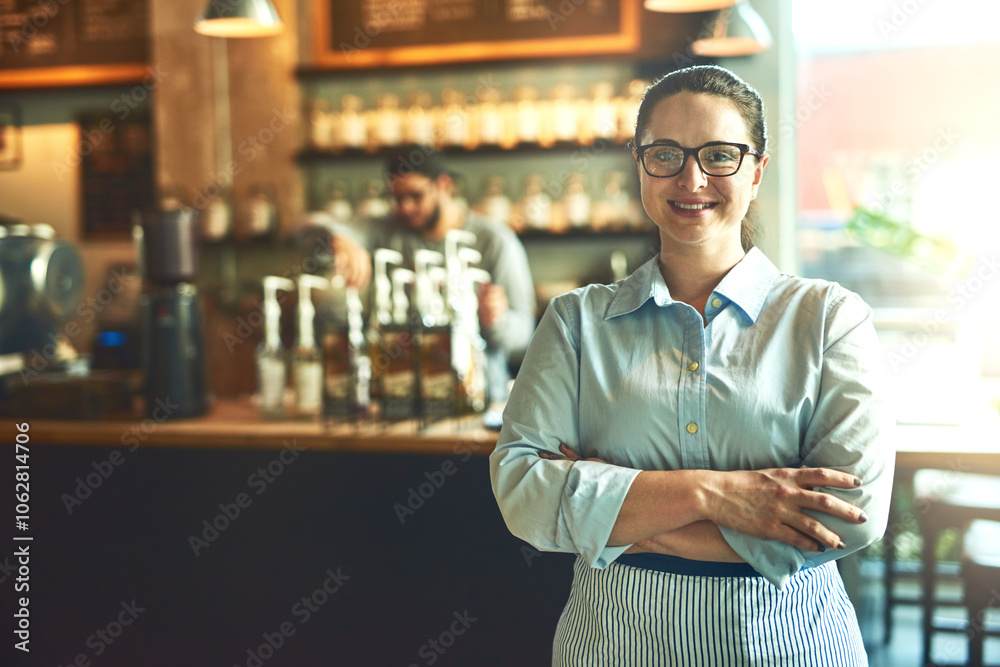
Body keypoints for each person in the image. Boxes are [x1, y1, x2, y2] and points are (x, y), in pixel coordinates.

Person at [490, 65, 894, 665]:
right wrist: (720, 495)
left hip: (788, 647)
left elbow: (850, 519)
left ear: (756, 172)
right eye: (666, 154)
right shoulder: (576, 323)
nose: (692, 177)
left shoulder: (831, 318)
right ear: (640, 166)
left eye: (720, 155)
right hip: (614, 647)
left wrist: (610, 516)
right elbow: (525, 494)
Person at [329, 144, 537, 405]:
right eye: (397, 198)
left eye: (415, 196)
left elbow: (524, 335)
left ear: (444, 185)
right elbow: (308, 227)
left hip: (477, 401)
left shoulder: (495, 241)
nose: (405, 207)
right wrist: (340, 240)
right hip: (401, 399)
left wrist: (496, 321)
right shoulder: (387, 230)